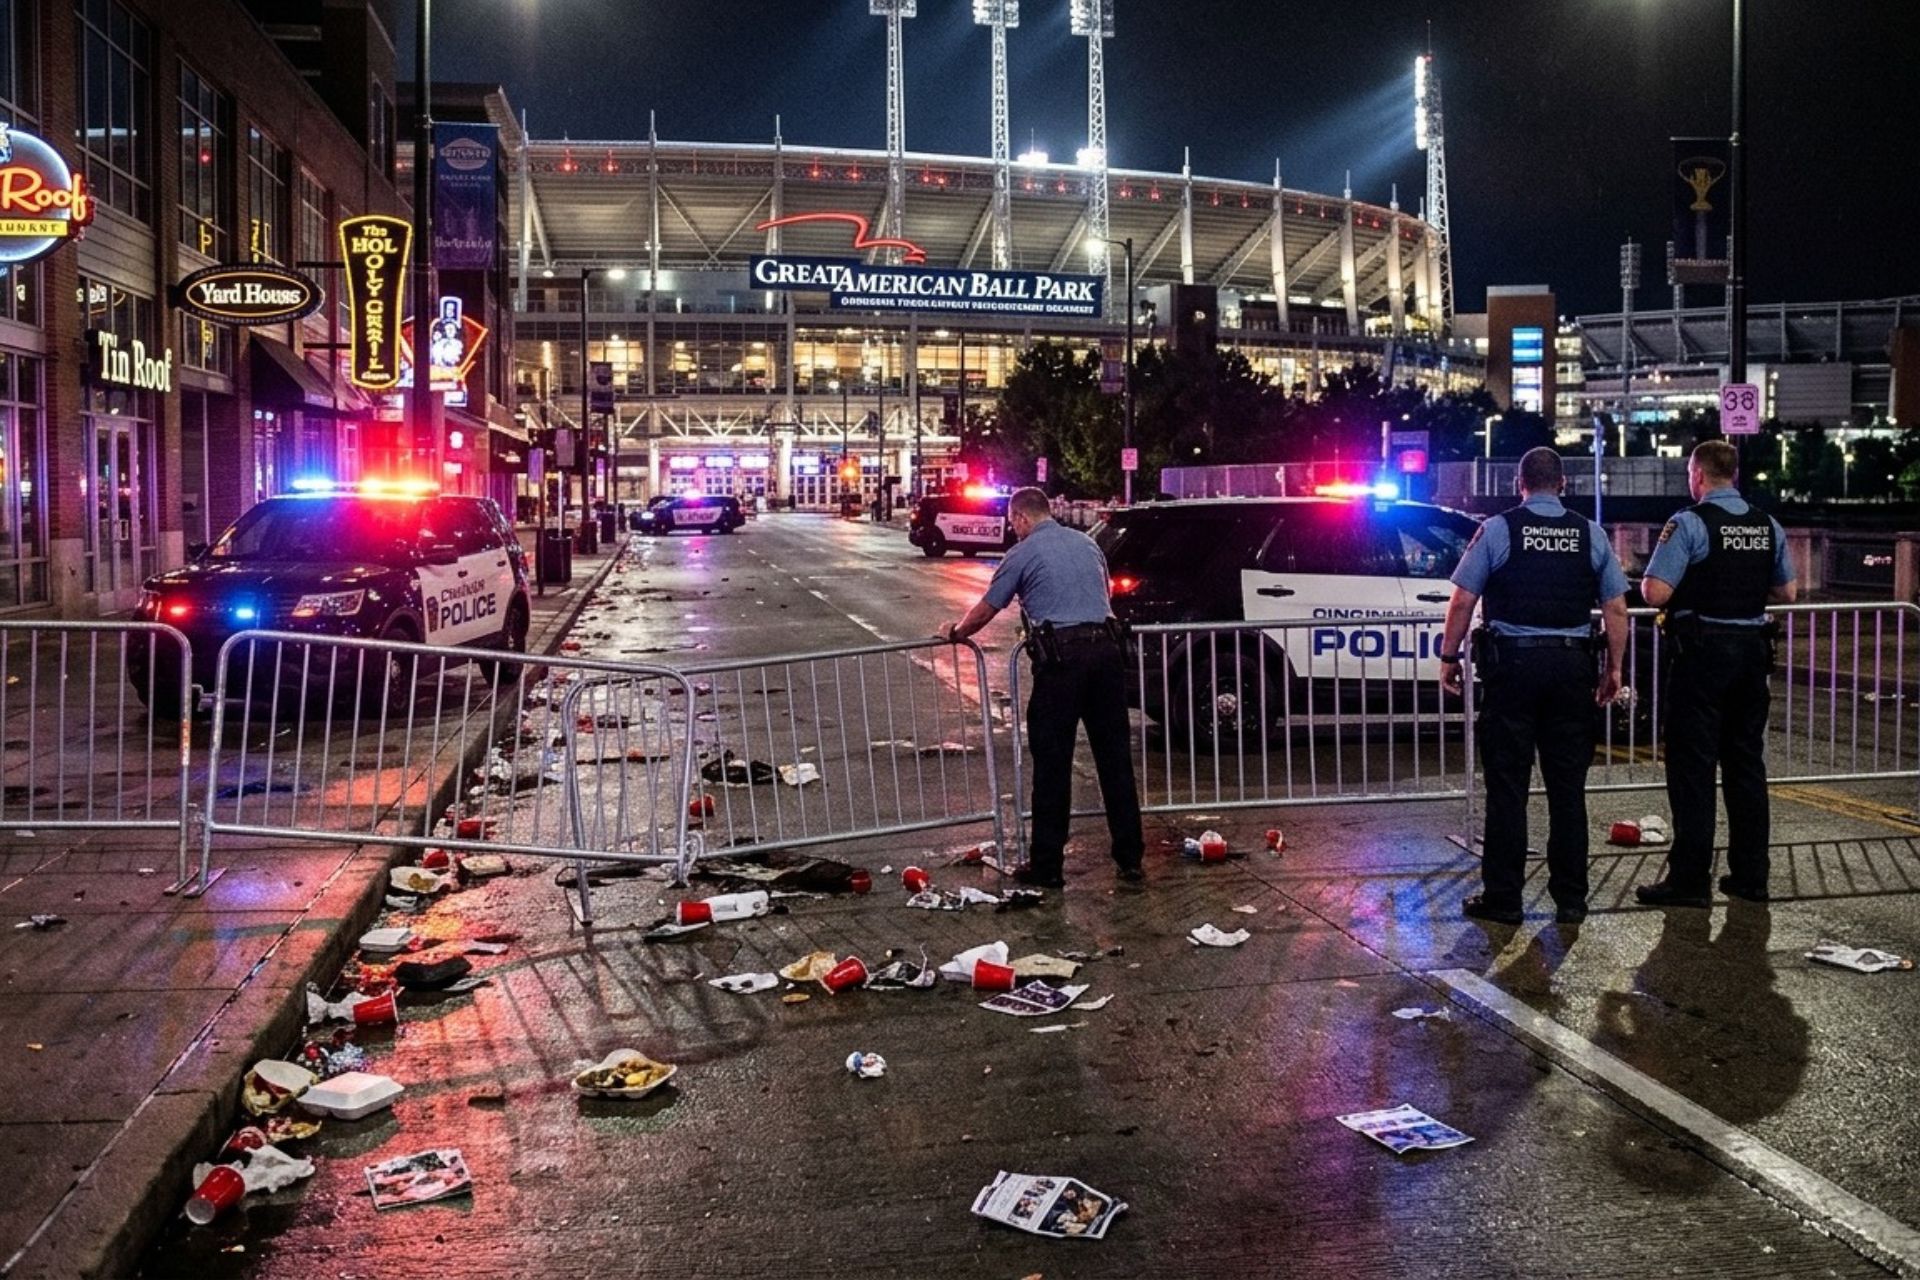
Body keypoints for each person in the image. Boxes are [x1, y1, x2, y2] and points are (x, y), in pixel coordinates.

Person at [1439, 446, 1629, 925]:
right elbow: (1617, 610)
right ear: (1563, 485)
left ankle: (1504, 898)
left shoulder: (1499, 529)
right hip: (1571, 669)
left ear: (1519, 485)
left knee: (1508, 788)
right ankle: (1571, 899)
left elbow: (1463, 600)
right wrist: (1615, 669)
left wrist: (1449, 656)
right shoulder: (1590, 534)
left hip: (1513, 672)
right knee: (1568, 789)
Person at [940, 486, 1144, 889]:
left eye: (1012, 523)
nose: (1012, 530)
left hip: (1062, 662)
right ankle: (1131, 858)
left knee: (1052, 765)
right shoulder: (1088, 546)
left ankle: (1047, 867)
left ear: (1020, 518)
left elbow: (987, 607)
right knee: (1115, 761)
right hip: (1106, 656)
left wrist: (956, 631)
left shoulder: (1023, 552)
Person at [1635, 439, 1796, 908]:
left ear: (1698, 475)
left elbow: (1656, 593)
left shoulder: (1689, 523)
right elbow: (1787, 591)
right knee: (1746, 765)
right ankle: (1750, 875)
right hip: (1751, 654)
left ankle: (1689, 880)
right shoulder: (1767, 525)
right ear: (1736, 474)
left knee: (1693, 768)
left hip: (1702, 654)